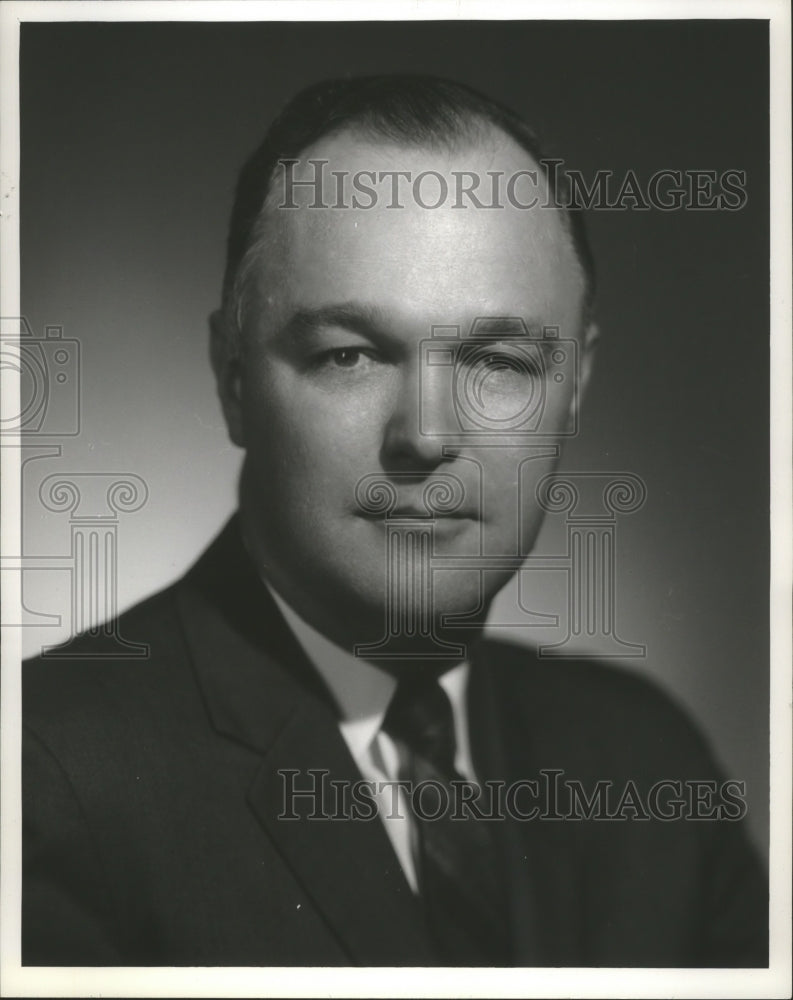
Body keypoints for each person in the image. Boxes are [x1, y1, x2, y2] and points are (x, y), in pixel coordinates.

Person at [22, 75, 767, 967]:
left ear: (574, 389)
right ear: (231, 378)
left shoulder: (645, 763)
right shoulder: (41, 784)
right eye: (349, 354)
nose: (425, 434)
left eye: (495, 361)